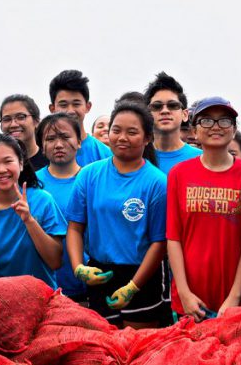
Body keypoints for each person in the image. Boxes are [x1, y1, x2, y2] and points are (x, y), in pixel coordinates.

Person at [66, 104, 171, 326]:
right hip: (99, 273)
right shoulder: (88, 175)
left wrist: (134, 286)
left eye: (132, 132)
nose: (122, 137)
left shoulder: (157, 182)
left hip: (142, 274)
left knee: (140, 349)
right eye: (116, 130)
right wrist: (78, 267)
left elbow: (159, 242)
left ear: (147, 138)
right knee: (104, 347)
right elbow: (75, 227)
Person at [164, 97, 241, 318]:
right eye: (206, 121)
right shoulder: (179, 173)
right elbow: (173, 237)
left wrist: (234, 297)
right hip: (190, 300)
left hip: (234, 301)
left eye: (223, 121)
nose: (215, 127)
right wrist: (184, 294)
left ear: (233, 129)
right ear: (194, 130)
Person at [0, 132, 67, 284]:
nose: (1, 170)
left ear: (21, 163)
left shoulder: (43, 201)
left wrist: (29, 220)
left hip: (41, 297)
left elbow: (55, 262)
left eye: (8, 161)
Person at [49, 69, 114, 166]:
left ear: (88, 107)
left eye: (76, 104)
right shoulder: (45, 152)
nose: (70, 111)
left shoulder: (106, 155)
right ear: (52, 108)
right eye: (63, 105)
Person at [144, 73, 199, 172]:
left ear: (185, 114)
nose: (165, 111)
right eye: (157, 106)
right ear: (147, 114)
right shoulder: (137, 157)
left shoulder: (201, 159)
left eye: (173, 105)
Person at [0, 94, 43, 171]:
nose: (13, 125)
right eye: (7, 119)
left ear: (36, 121)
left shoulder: (51, 161)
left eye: (21, 117)